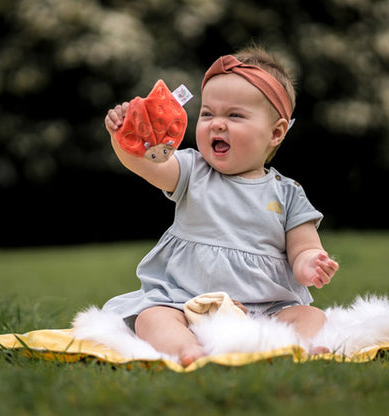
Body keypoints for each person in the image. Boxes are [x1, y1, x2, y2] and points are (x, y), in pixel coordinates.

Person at [103, 46, 339, 366]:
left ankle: (299, 346)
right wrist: (124, 137)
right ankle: (187, 349)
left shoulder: (288, 194)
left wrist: (311, 264)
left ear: (276, 132)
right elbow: (149, 166)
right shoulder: (192, 171)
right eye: (207, 113)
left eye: (234, 115)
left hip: (263, 309)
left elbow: (303, 248)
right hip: (185, 301)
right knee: (151, 317)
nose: (216, 124)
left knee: (311, 316)